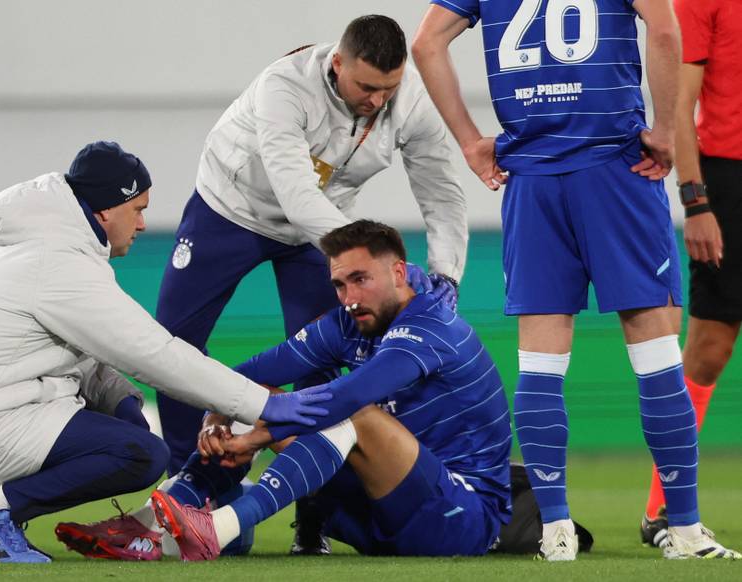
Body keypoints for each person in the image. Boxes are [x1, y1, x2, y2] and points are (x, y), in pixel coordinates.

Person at [412, 0, 739, 561]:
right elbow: (663, 28)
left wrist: (470, 141)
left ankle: (555, 531)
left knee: (540, 363)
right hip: (616, 168)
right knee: (657, 354)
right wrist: (664, 129)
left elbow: (425, 44)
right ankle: (682, 530)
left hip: (532, 180)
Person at [0, 141, 331, 564]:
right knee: (140, 455)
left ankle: (195, 502)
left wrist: (123, 403)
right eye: (138, 209)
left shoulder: (48, 242)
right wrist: (265, 407)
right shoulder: (58, 261)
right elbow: (155, 354)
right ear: (108, 209)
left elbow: (84, 356)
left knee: (132, 430)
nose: (143, 224)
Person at [153, 17, 468, 553]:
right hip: (230, 210)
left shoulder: (407, 97)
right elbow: (296, 194)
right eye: (366, 87)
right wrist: (356, 257)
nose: (377, 101)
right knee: (171, 344)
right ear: (337, 64)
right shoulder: (285, 87)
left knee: (322, 368)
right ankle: (193, 485)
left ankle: (312, 522)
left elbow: (440, 187)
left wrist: (445, 276)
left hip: (321, 227)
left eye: (387, 89)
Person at [60, 220, 513, 560]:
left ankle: (219, 528)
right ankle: (145, 528)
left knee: (349, 411)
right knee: (252, 397)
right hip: (377, 518)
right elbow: (250, 373)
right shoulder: (348, 321)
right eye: (339, 284)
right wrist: (218, 418)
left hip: (459, 519)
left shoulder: (433, 326)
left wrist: (257, 437)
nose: (348, 296)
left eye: (360, 279)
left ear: (398, 272)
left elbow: (348, 399)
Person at [639, 0, 742, 548]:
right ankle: (663, 509)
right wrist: (695, 199)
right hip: (728, 179)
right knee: (711, 343)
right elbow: (681, 101)